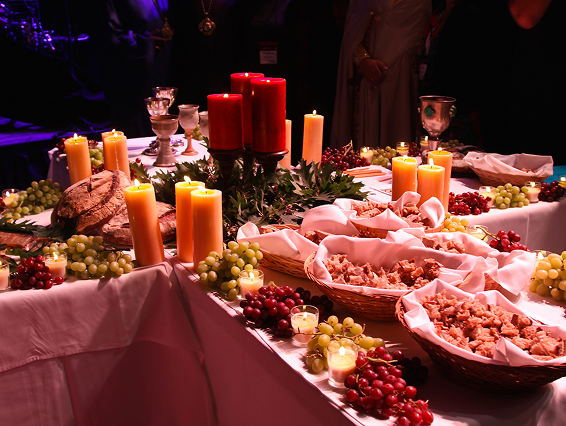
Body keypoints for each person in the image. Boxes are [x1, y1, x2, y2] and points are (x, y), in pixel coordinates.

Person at [331, 0, 431, 150]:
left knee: (399, 127)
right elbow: (352, 32)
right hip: (368, 78)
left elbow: (417, 34)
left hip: (401, 77)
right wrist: (363, 59)